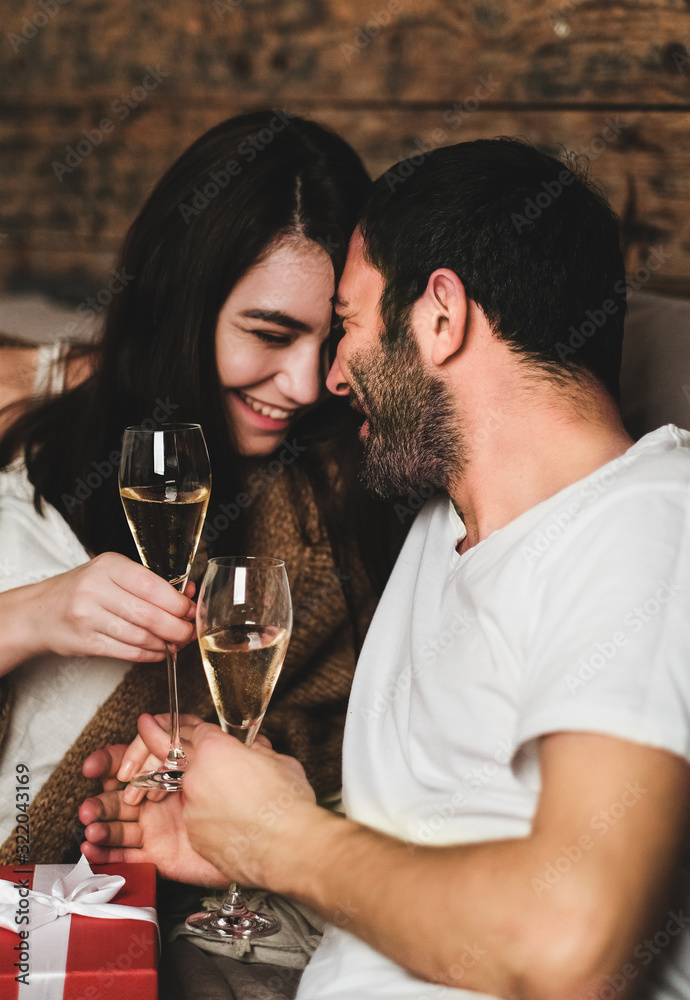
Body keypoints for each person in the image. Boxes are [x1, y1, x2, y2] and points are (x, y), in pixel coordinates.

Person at [81, 139, 690, 999]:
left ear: (440, 314)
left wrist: (282, 839)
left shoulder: (652, 520)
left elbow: (571, 948)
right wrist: (248, 824)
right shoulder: (442, 526)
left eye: (348, 325)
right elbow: (433, 844)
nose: (329, 377)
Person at [0, 109, 404, 866]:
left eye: (334, 336)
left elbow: (338, 727)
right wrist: (29, 617)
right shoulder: (32, 407)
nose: (308, 383)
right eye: (270, 334)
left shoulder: (332, 500)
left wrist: (227, 765)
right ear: (181, 305)